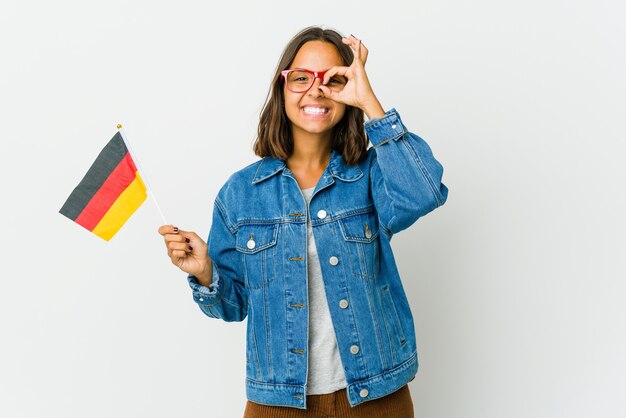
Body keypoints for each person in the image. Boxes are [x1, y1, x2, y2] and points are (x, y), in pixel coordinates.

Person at [158, 26, 448, 418]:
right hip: (278, 404)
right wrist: (207, 273)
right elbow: (232, 306)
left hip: (376, 399)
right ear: (281, 89)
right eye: (300, 78)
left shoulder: (369, 176)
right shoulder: (241, 193)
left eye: (333, 80)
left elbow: (423, 193)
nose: (315, 90)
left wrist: (369, 101)